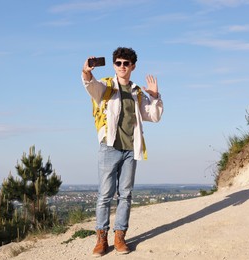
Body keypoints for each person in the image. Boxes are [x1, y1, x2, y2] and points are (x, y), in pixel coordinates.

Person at [81, 47, 164, 257]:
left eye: (126, 64)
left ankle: (120, 237)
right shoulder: (107, 87)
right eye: (118, 63)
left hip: (130, 149)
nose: (122, 67)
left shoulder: (136, 91)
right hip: (109, 148)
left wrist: (155, 97)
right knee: (105, 195)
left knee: (125, 195)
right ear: (113, 65)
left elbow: (153, 116)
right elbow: (91, 87)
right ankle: (101, 238)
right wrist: (87, 72)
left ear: (133, 66)